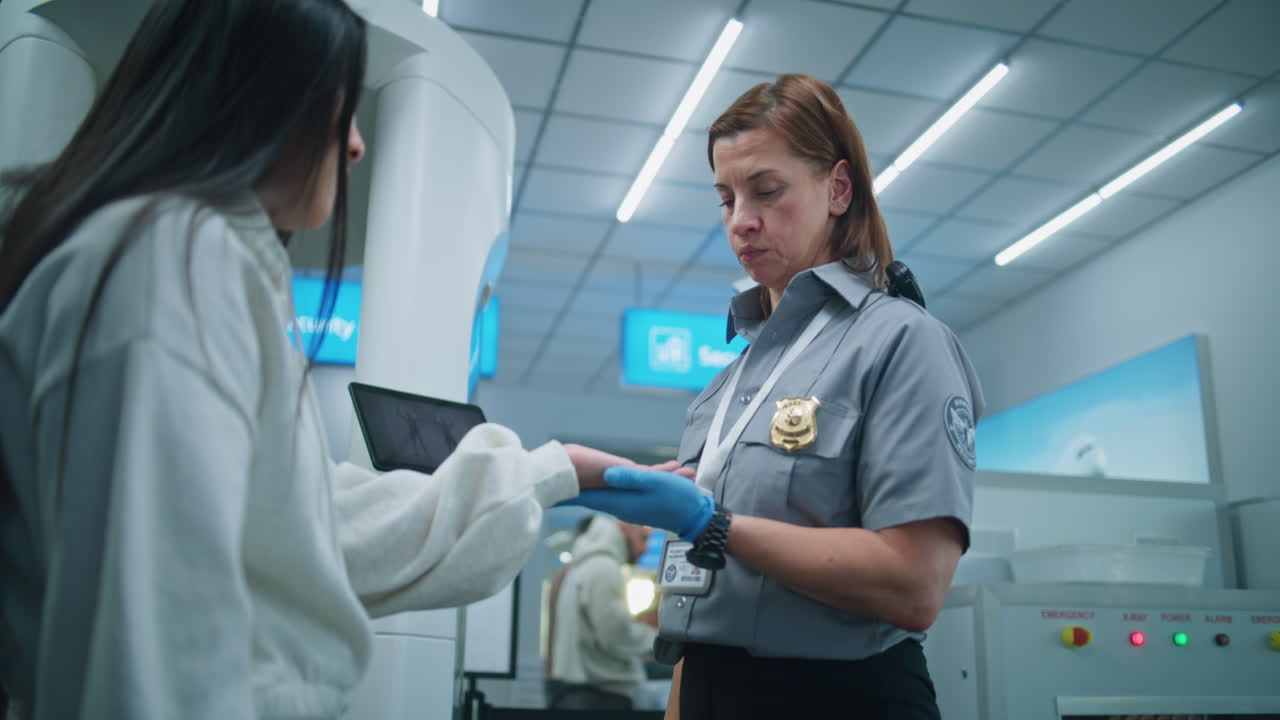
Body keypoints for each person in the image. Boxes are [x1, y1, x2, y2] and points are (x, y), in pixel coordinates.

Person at [0, 2, 647, 717]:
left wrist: (548, 472)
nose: (358, 145)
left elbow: (305, 522)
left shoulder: (168, 253)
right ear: (261, 99)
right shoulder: (174, 260)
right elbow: (155, 621)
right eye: (342, 110)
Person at [567, 74, 984, 719]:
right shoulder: (729, 385)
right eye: (725, 198)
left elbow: (914, 584)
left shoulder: (902, 343)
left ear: (837, 189)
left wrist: (714, 523)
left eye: (766, 191)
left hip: (839, 698)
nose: (741, 221)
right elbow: (700, 608)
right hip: (712, 687)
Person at [546, 515, 657, 711]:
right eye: (643, 538)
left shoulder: (585, 566)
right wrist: (656, 639)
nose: (645, 549)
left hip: (582, 694)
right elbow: (615, 635)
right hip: (599, 697)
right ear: (624, 528)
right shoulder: (604, 569)